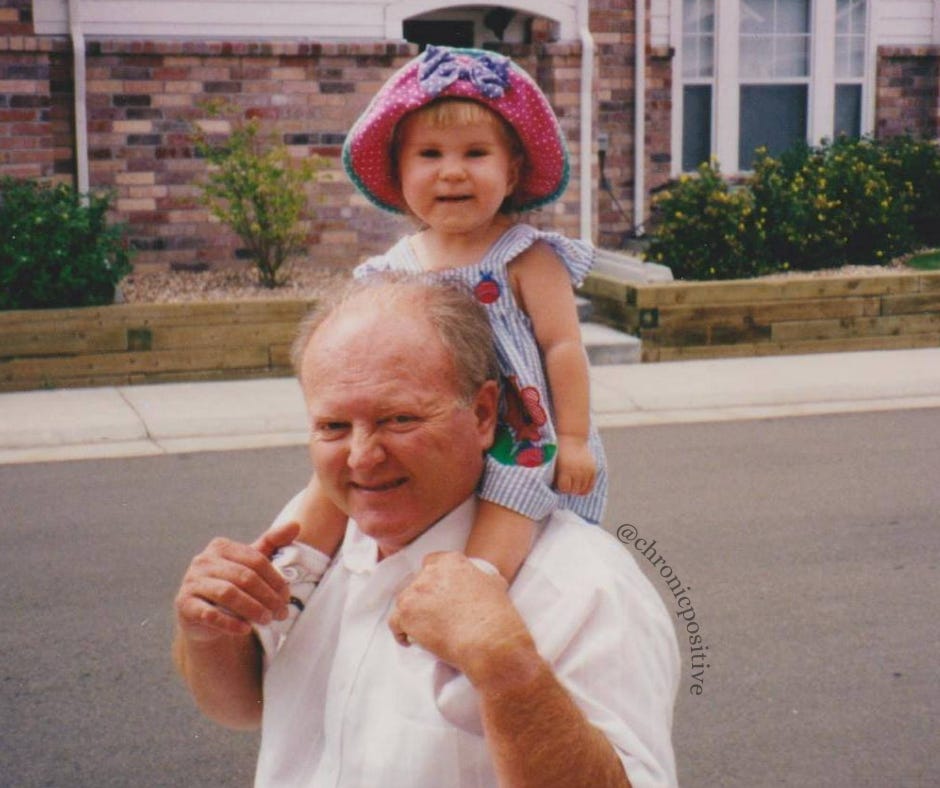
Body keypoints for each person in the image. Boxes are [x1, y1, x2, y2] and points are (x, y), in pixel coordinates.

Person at [173, 276, 680, 787]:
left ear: (484, 414)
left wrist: (508, 668)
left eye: (398, 419)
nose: (361, 457)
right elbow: (239, 707)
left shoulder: (585, 587)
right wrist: (207, 633)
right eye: (332, 427)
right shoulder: (318, 536)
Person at [280, 44, 608, 594]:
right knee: (334, 480)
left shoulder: (525, 257)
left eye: (475, 153)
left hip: (516, 423)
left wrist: (573, 438)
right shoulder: (394, 268)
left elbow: (562, 349)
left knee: (513, 491)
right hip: (418, 425)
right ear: (399, 172)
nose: (452, 172)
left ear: (513, 170)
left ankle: (472, 587)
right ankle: (291, 578)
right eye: (429, 154)